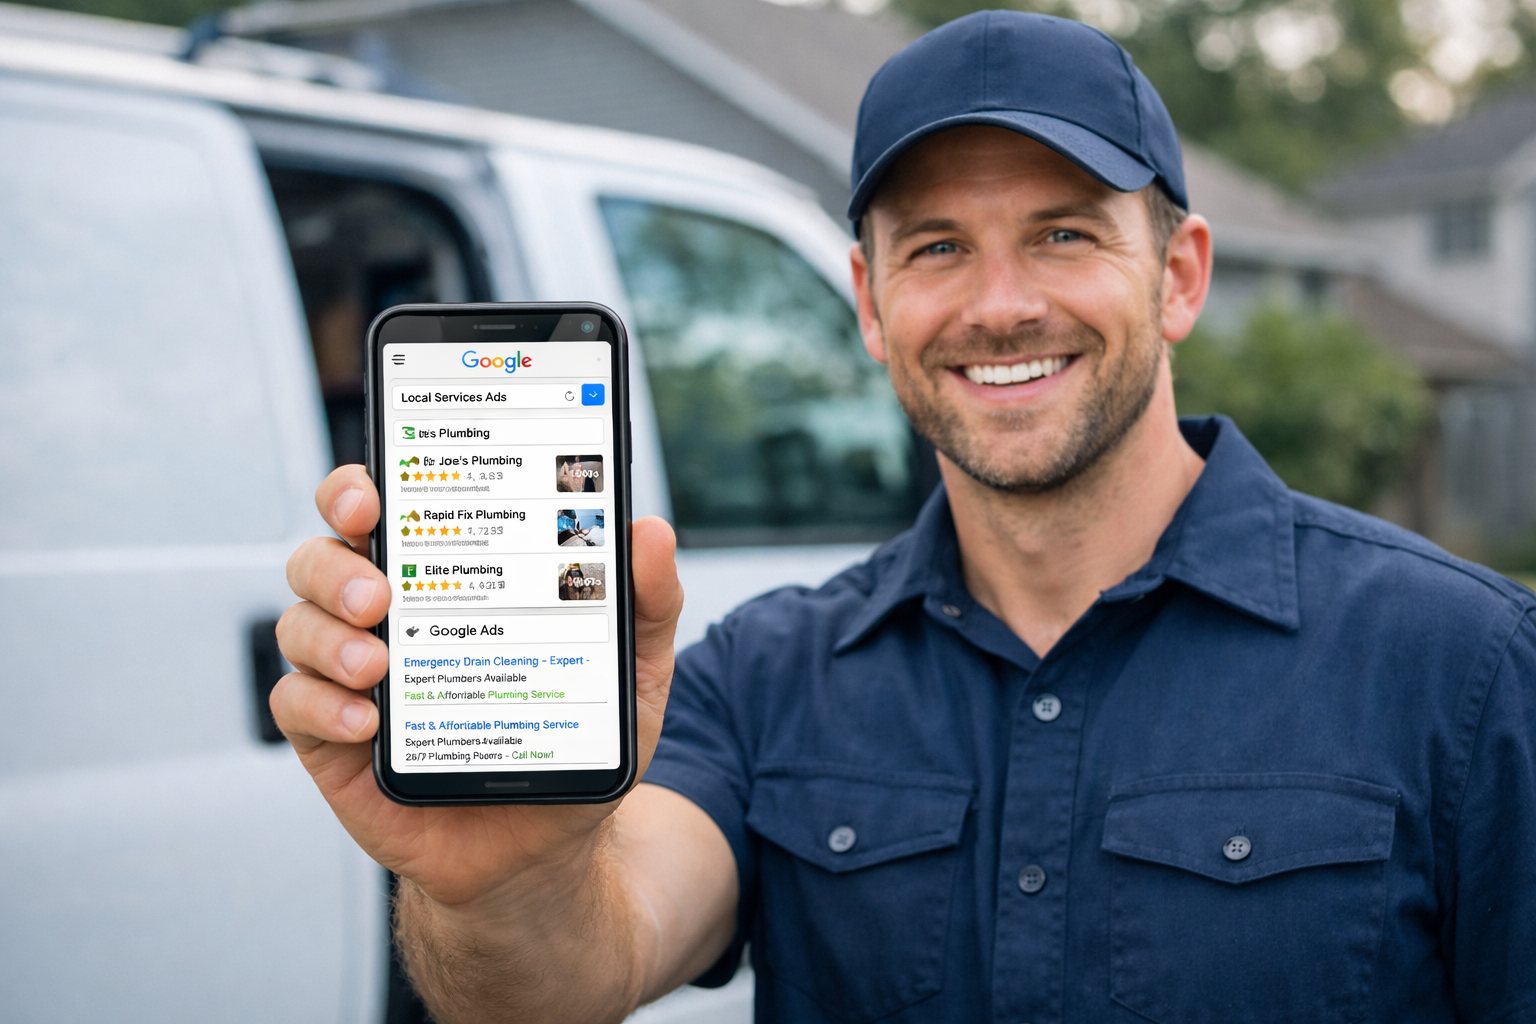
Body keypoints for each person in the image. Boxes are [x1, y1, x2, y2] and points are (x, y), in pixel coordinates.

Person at [272, 12, 1536, 1023]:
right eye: (936, 247)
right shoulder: (763, 679)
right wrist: (500, 881)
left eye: (1062, 232)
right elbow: (568, 981)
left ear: (1180, 275)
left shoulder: (1466, 668)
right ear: (872, 306)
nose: (999, 304)